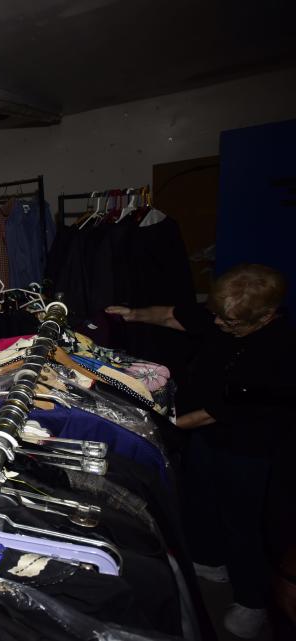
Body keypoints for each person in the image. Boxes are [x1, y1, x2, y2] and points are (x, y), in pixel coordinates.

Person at [107, 263, 295, 639]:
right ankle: (210, 559)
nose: (222, 326)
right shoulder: (223, 315)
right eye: (219, 318)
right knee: (201, 495)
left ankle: (252, 600)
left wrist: (155, 422)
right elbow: (174, 317)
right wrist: (132, 314)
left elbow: (215, 413)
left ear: (267, 316)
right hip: (207, 437)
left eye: (231, 324)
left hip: (248, 444)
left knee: (243, 521)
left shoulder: (279, 351)